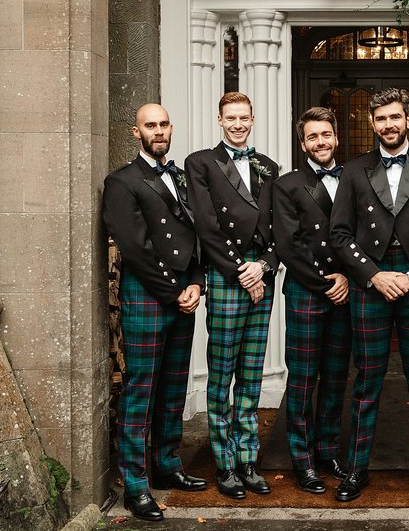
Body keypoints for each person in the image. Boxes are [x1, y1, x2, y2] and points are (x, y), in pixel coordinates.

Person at [329, 88, 409, 505]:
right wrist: (372, 275)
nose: (388, 124)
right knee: (367, 380)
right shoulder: (354, 169)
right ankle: (355, 469)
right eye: (381, 118)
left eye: (395, 117)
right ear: (372, 123)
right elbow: (340, 234)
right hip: (371, 284)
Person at [102, 103, 207, 522]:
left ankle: (167, 465)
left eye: (164, 124)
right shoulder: (122, 181)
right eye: (151, 125)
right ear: (136, 131)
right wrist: (176, 291)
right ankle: (135, 485)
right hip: (149, 296)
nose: (158, 131)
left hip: (183, 295)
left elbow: (198, 234)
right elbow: (136, 248)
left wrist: (197, 282)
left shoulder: (181, 176)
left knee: (173, 387)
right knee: (141, 391)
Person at [184, 92, 280, 500]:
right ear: (219, 120)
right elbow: (205, 224)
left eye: (244, 117)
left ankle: (248, 458)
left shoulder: (270, 167)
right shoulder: (201, 162)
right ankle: (224, 463)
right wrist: (242, 270)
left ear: (253, 119)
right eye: (231, 118)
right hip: (228, 275)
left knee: (252, 373)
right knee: (222, 372)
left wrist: (265, 265)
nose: (238, 124)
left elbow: (281, 228)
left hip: (261, 273)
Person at [272, 107, 352, 494]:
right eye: (312, 137)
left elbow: (366, 236)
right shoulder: (287, 185)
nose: (320, 142)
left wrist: (348, 277)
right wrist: (326, 282)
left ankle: (328, 449)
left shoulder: (355, 178)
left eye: (326, 135)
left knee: (336, 377)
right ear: (302, 143)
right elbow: (289, 244)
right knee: (303, 379)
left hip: (347, 291)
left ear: (336, 138)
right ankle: (302, 460)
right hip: (308, 290)